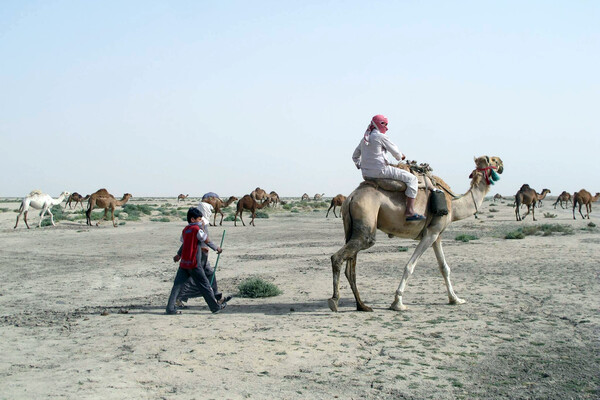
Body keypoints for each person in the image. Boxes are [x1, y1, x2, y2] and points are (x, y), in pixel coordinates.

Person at [352, 114, 425, 221]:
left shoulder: (365, 139)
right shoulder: (380, 137)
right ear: (378, 124)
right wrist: (401, 156)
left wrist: (359, 164)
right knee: (412, 179)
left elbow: (355, 156)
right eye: (385, 124)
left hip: (366, 174)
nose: (386, 127)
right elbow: (396, 153)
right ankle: (410, 211)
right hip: (381, 171)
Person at [165, 207, 225, 315]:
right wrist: (217, 248)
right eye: (199, 219)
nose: (201, 221)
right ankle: (215, 307)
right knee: (205, 285)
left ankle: (170, 308)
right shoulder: (197, 230)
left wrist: (178, 255)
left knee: (177, 286)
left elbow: (184, 244)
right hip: (194, 263)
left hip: (184, 264)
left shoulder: (185, 230)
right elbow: (206, 240)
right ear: (193, 220)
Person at [174, 201, 232, 307]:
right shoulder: (199, 224)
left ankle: (217, 297)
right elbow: (202, 240)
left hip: (201, 255)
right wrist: (215, 248)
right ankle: (179, 299)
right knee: (194, 278)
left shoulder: (200, 223)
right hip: (198, 255)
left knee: (209, 274)